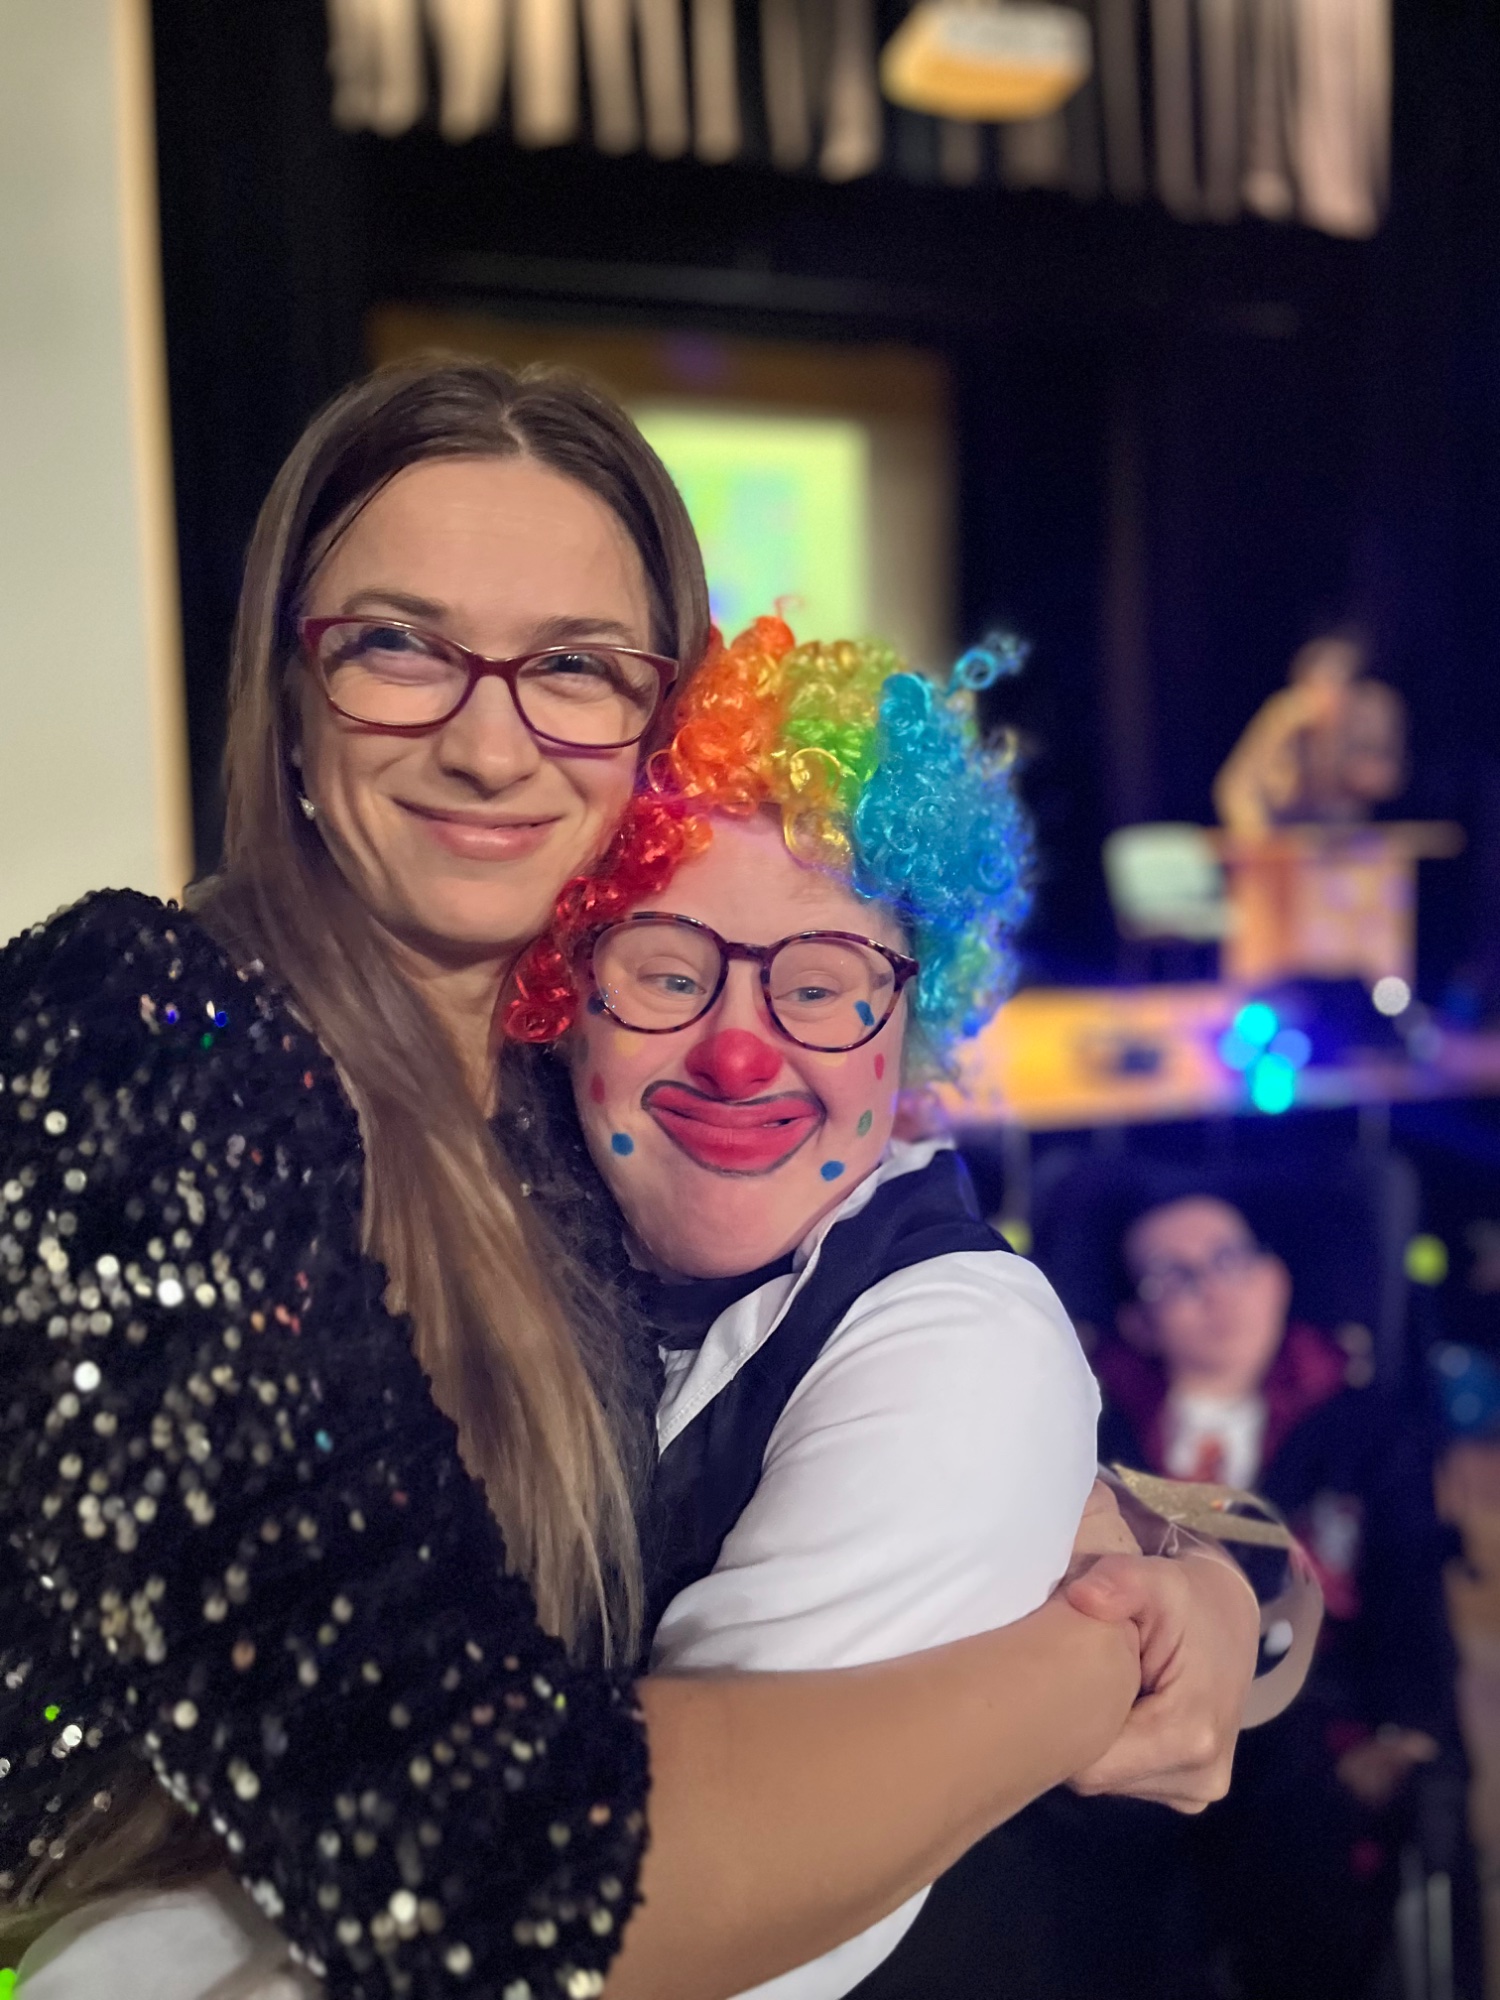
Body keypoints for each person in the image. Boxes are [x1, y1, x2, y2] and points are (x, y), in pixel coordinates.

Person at [1, 360, 1259, 2000]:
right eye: (398, 645)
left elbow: (853, 1422)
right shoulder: (138, 1037)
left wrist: (1227, 1579)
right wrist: (1093, 1670)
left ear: (654, 740)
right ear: (289, 693)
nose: (487, 741)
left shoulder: (571, 1122)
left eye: (576, 666)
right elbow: (477, 1870)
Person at [1092, 1186, 1468, 1999]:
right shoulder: (1092, 1428)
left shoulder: (1365, 1428)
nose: (1214, 1292)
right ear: (1140, 1323)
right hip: (1126, 1714)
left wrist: (1407, 1734)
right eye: (1174, 1277)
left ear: (1275, 1278)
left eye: (1229, 1260)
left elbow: (1410, 1589)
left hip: (1309, 1730)